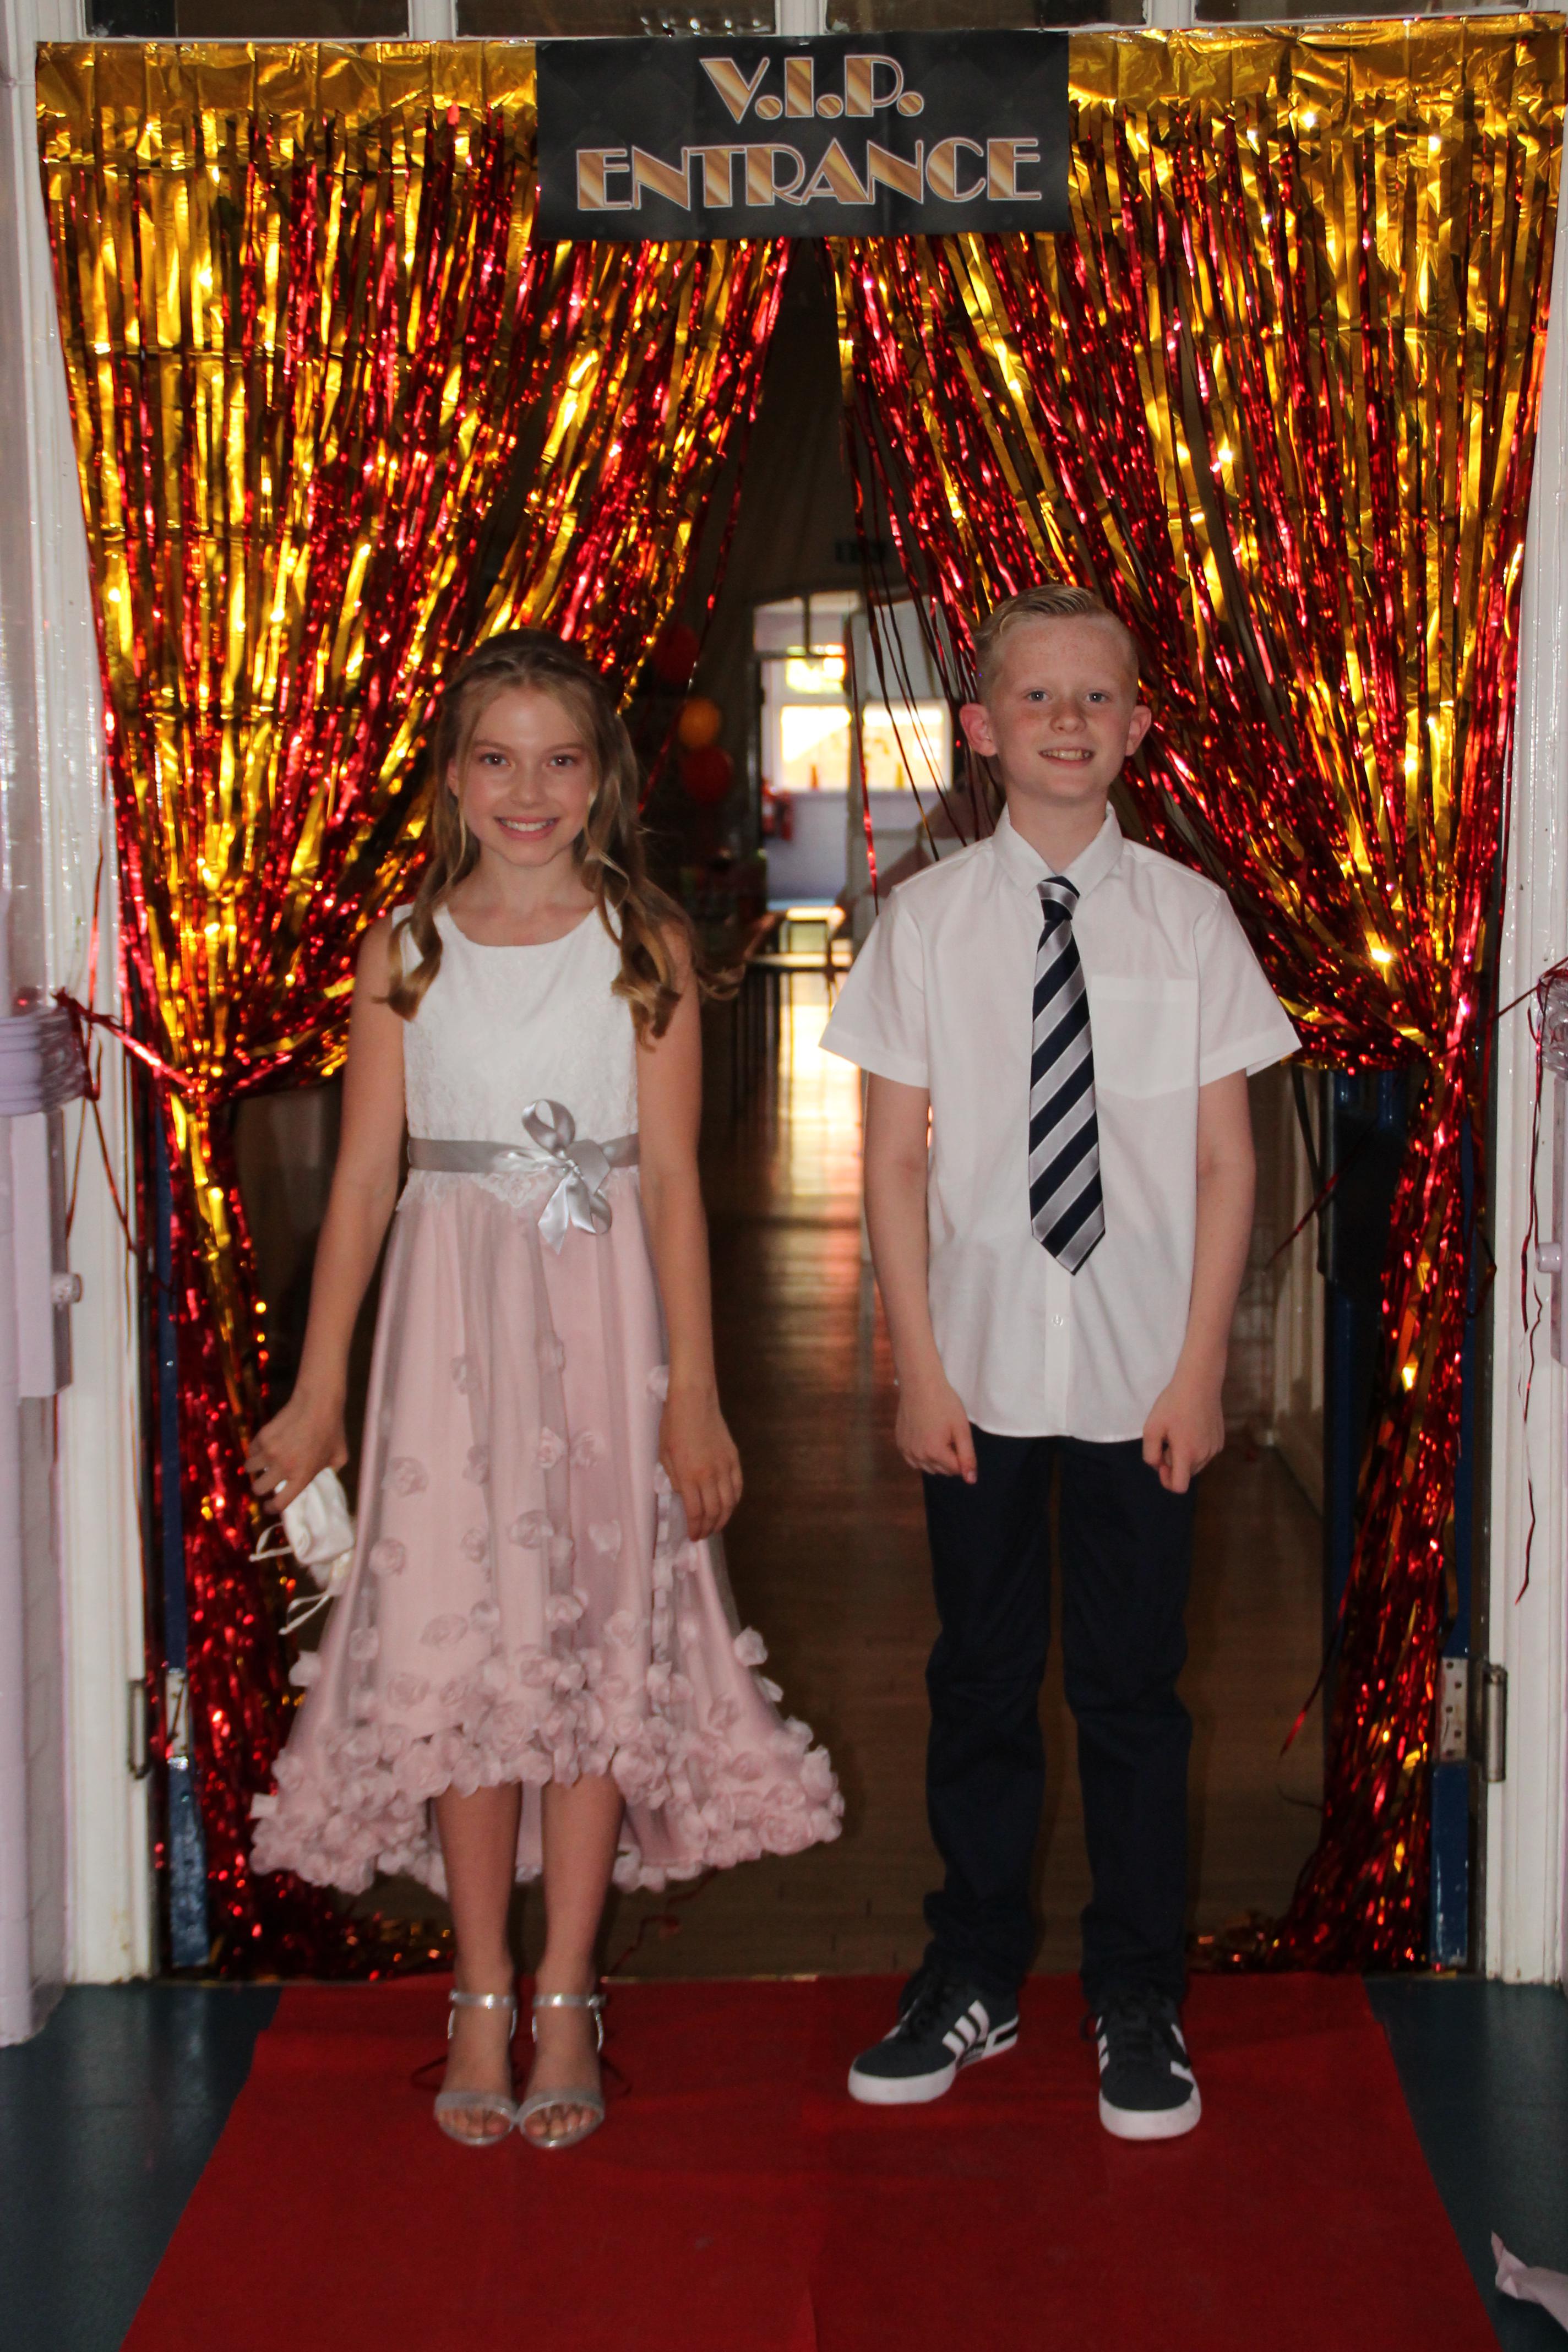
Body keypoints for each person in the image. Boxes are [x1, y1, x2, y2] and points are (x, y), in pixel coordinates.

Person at [247, 631, 841, 2152]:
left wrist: (694, 1397)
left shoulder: (643, 946)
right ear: (454, 779)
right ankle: (479, 1990)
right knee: (465, 1644)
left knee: (586, 1639)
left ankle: (567, 1990)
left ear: (605, 780)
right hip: (448, 1341)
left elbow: (676, 1191)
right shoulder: (406, 950)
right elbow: (365, 1179)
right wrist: (319, 1394)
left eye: (560, 760)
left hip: (604, 1331)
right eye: (498, 760)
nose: (529, 790)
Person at [820, 583, 1296, 2140]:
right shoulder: (925, 922)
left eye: (1099, 697)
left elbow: (1226, 1163)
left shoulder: (1190, 919)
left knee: (1133, 1691)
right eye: (1037, 697)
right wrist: (917, 1367)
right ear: (981, 727)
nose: (1068, 721)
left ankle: (1137, 1991)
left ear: (1141, 726)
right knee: (978, 1679)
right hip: (978, 1374)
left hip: (1141, 1376)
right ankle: (972, 1970)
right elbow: (894, 1165)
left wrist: (1200, 1370)